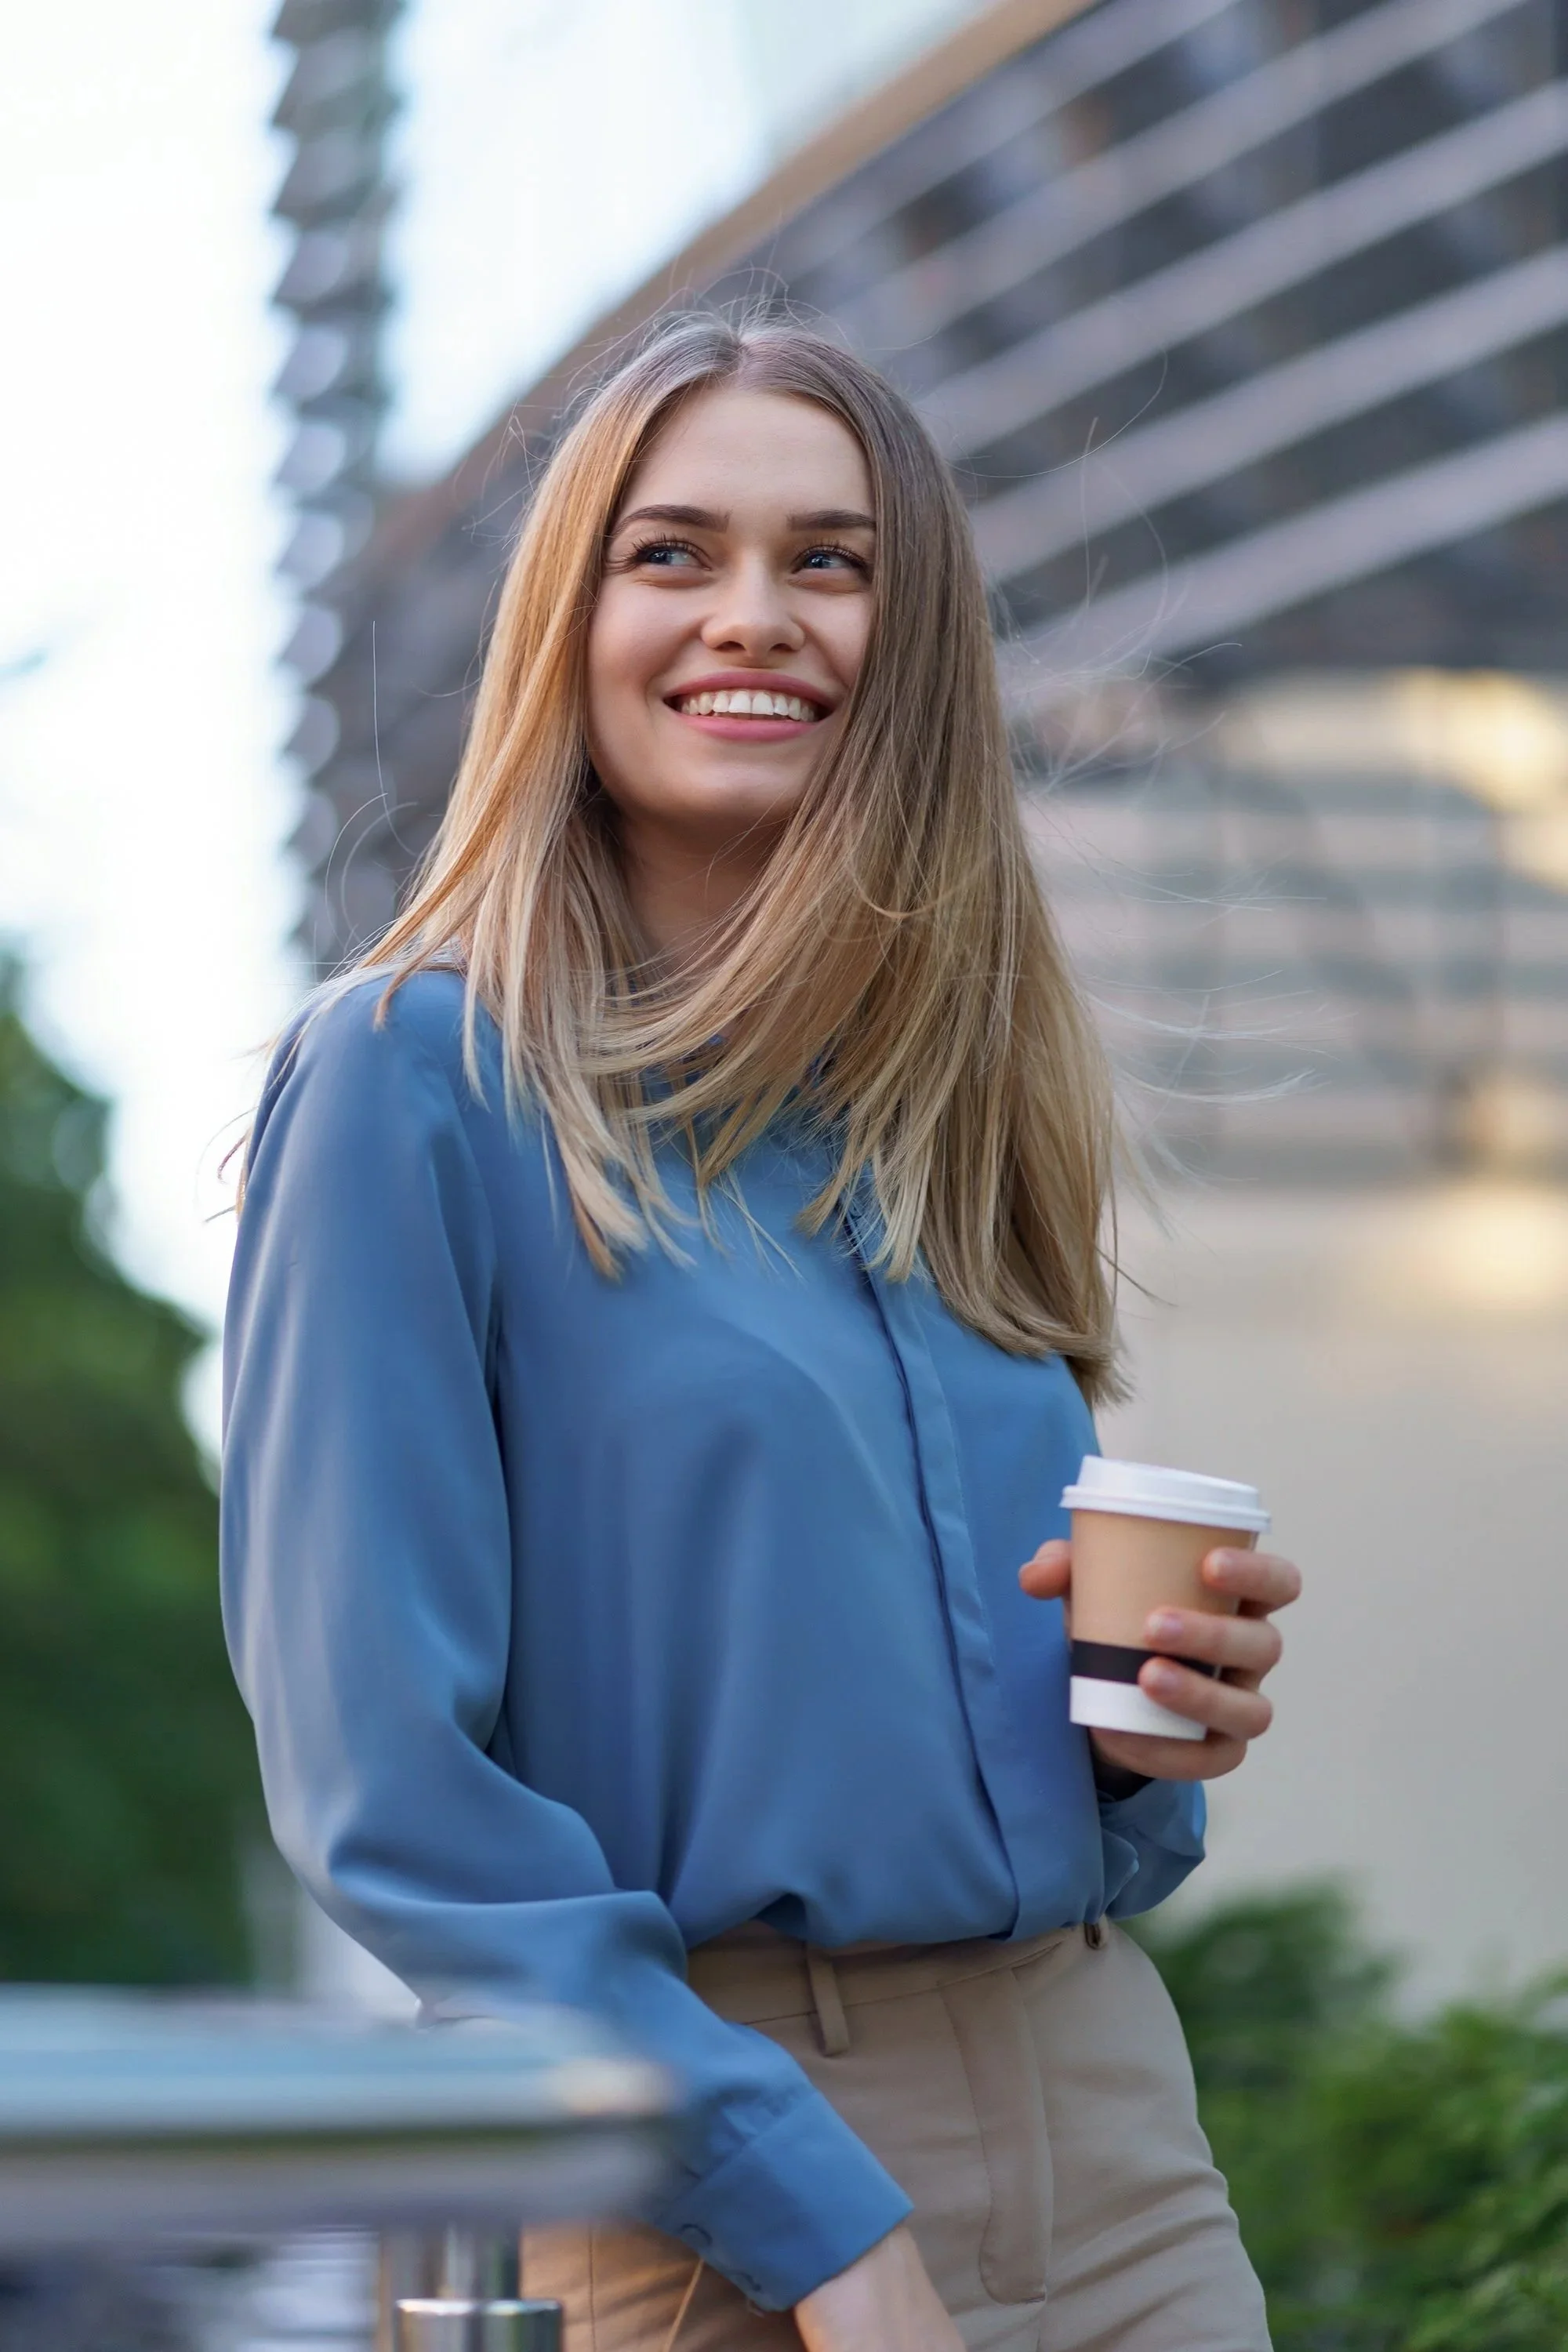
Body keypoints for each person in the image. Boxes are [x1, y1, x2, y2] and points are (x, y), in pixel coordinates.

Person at [222, 316, 1300, 2352]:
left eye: (832, 560)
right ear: (573, 620)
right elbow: (390, 1793)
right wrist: (819, 2226)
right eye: (673, 552)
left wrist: (1155, 1735)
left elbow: (1062, 1771)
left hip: (1109, 2128)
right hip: (684, 2180)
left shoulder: (961, 1100)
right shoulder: (408, 1084)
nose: (757, 614)